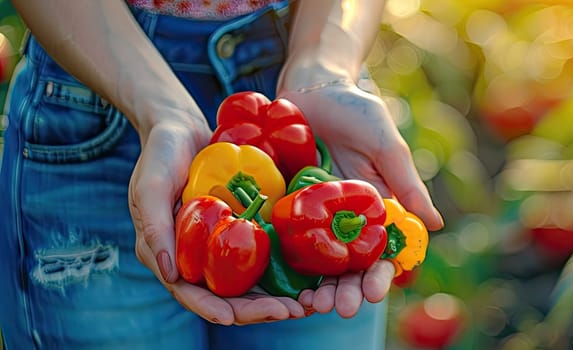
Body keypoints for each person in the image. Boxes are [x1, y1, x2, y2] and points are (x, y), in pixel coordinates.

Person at [0, 0, 444, 349]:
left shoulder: (336, 202)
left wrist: (323, 68)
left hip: (304, 67)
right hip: (96, 76)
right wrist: (162, 112)